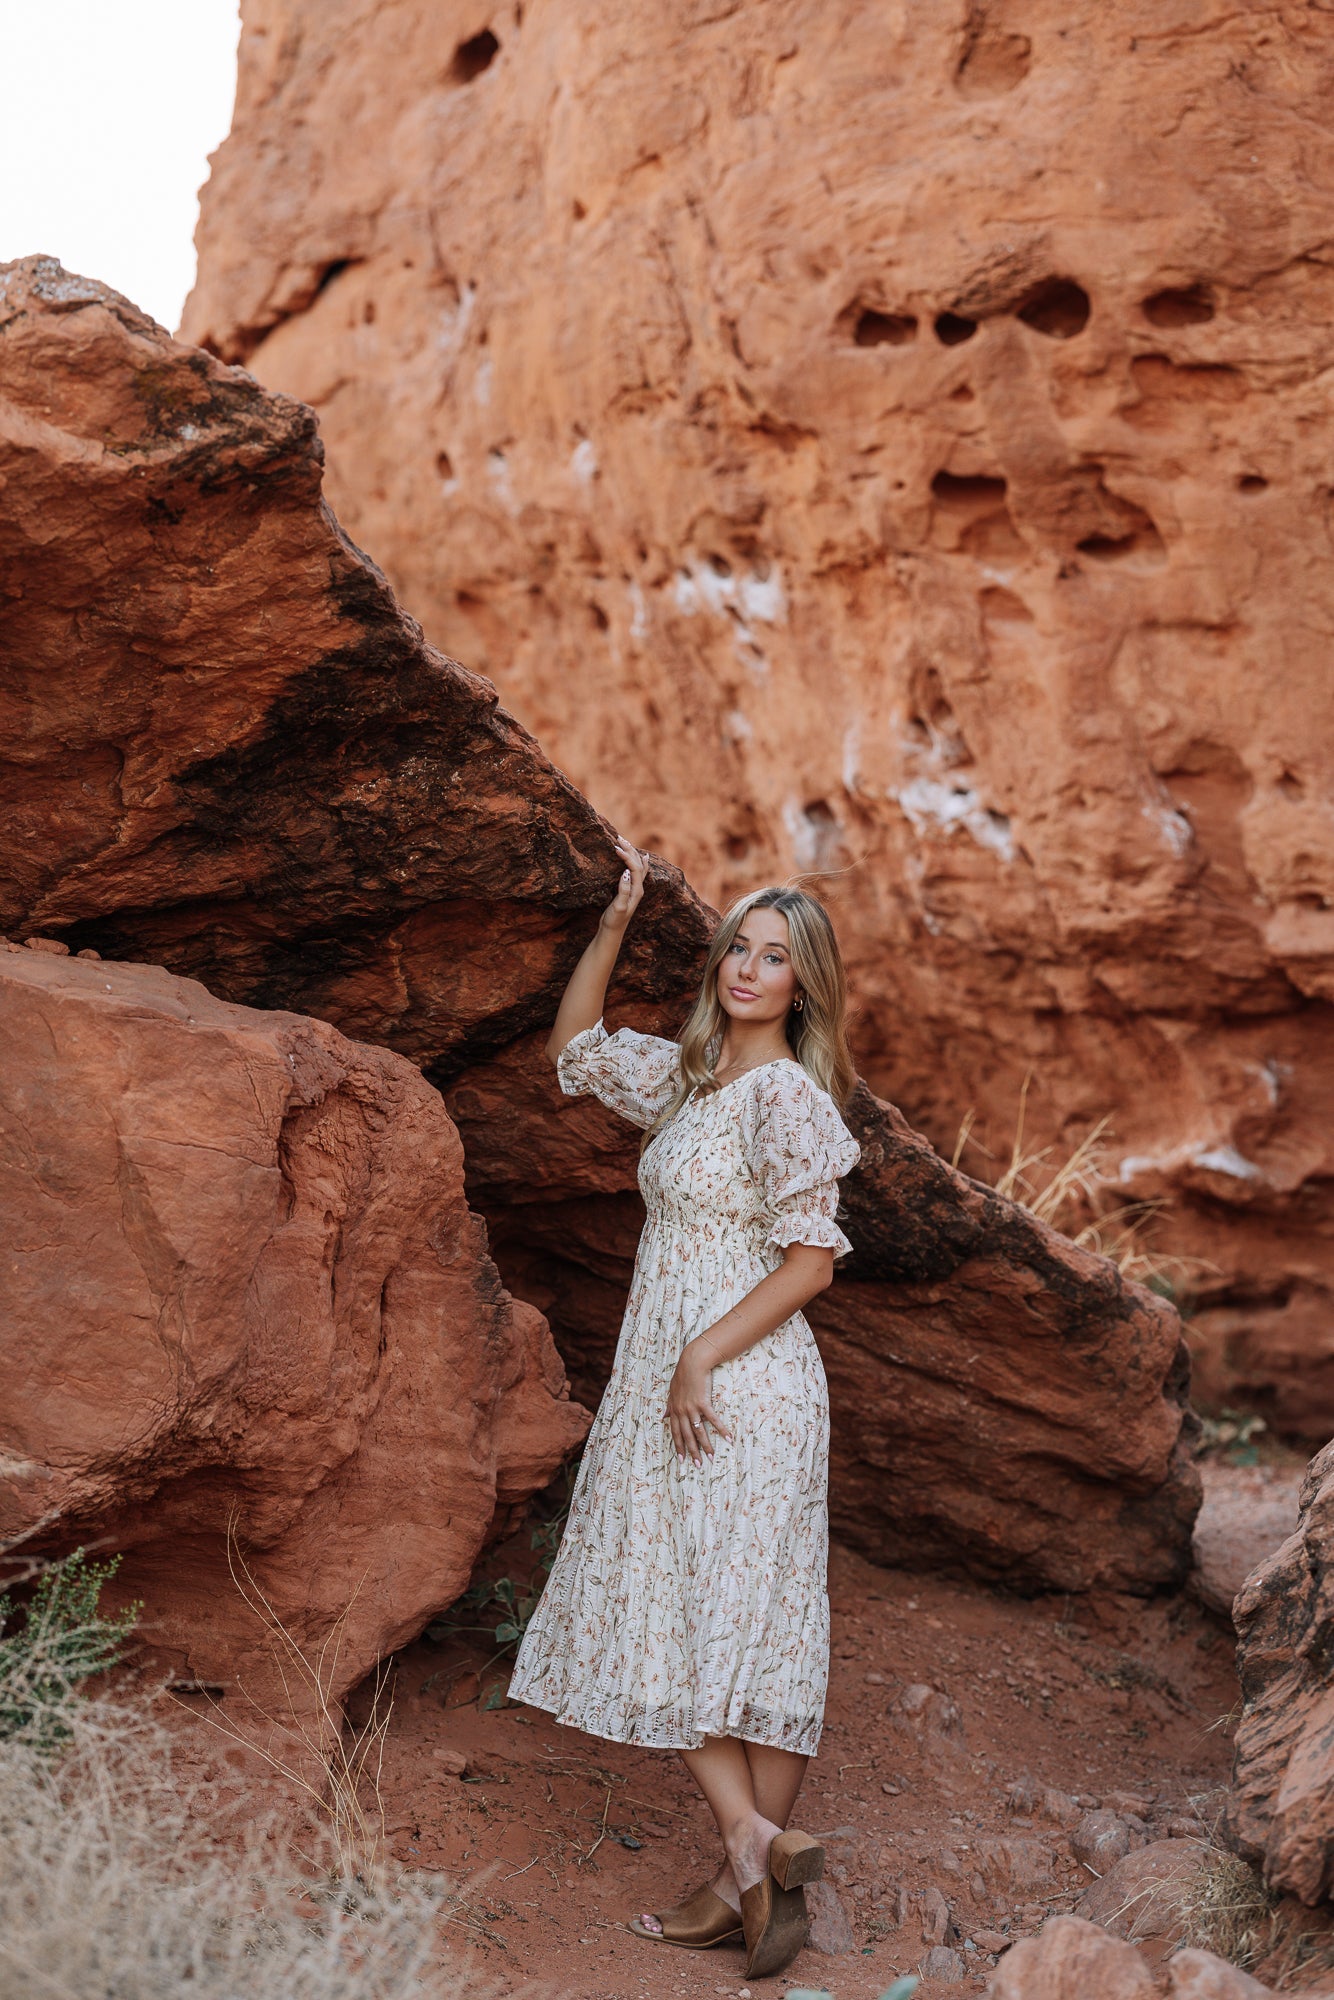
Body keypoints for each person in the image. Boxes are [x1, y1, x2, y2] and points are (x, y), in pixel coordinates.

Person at [507, 835, 861, 1979]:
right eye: (737, 949)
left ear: (802, 981)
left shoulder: (787, 1100)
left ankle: (747, 1852)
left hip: (737, 1384)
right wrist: (613, 923)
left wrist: (698, 1356)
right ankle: (750, 1874)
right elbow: (569, 1051)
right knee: (708, 1608)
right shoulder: (689, 1080)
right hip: (681, 1374)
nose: (748, 970)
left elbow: (811, 1261)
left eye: (774, 956)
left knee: (717, 1610)